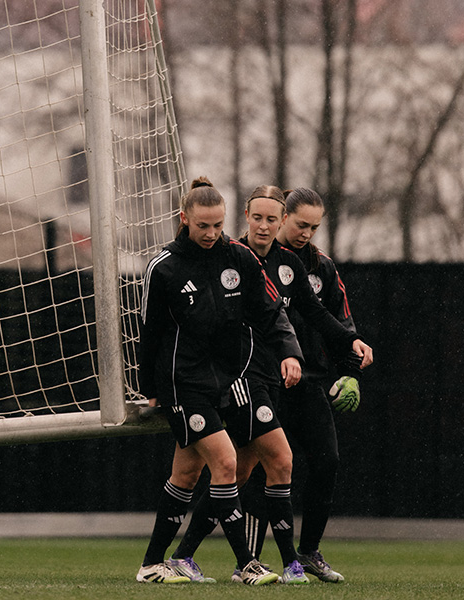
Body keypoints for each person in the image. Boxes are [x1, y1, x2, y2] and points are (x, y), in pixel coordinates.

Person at [166, 186, 372, 585]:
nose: (264, 225)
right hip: (244, 380)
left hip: (283, 379)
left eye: (271, 219)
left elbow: (315, 313)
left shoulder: (291, 265)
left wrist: (350, 342)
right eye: (258, 218)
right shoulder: (231, 258)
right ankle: (265, 562)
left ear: (278, 222)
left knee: (250, 468)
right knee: (260, 464)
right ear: (247, 216)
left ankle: (194, 555)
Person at [136, 177, 300, 585]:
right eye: (202, 226)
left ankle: (154, 564)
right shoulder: (165, 267)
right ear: (184, 219)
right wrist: (150, 391)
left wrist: (288, 351)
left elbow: (267, 311)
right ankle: (247, 565)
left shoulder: (239, 258)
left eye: (217, 225)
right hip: (181, 382)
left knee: (186, 477)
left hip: (224, 382)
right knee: (227, 462)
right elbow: (150, 334)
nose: (211, 234)